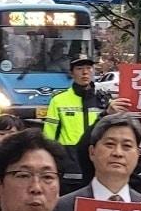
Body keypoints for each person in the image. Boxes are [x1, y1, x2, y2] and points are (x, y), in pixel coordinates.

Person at [43, 56, 109, 192]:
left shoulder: (103, 100)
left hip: (98, 165)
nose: (85, 72)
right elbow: (49, 136)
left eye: (88, 68)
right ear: (72, 73)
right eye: (80, 69)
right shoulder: (59, 100)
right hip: (69, 168)